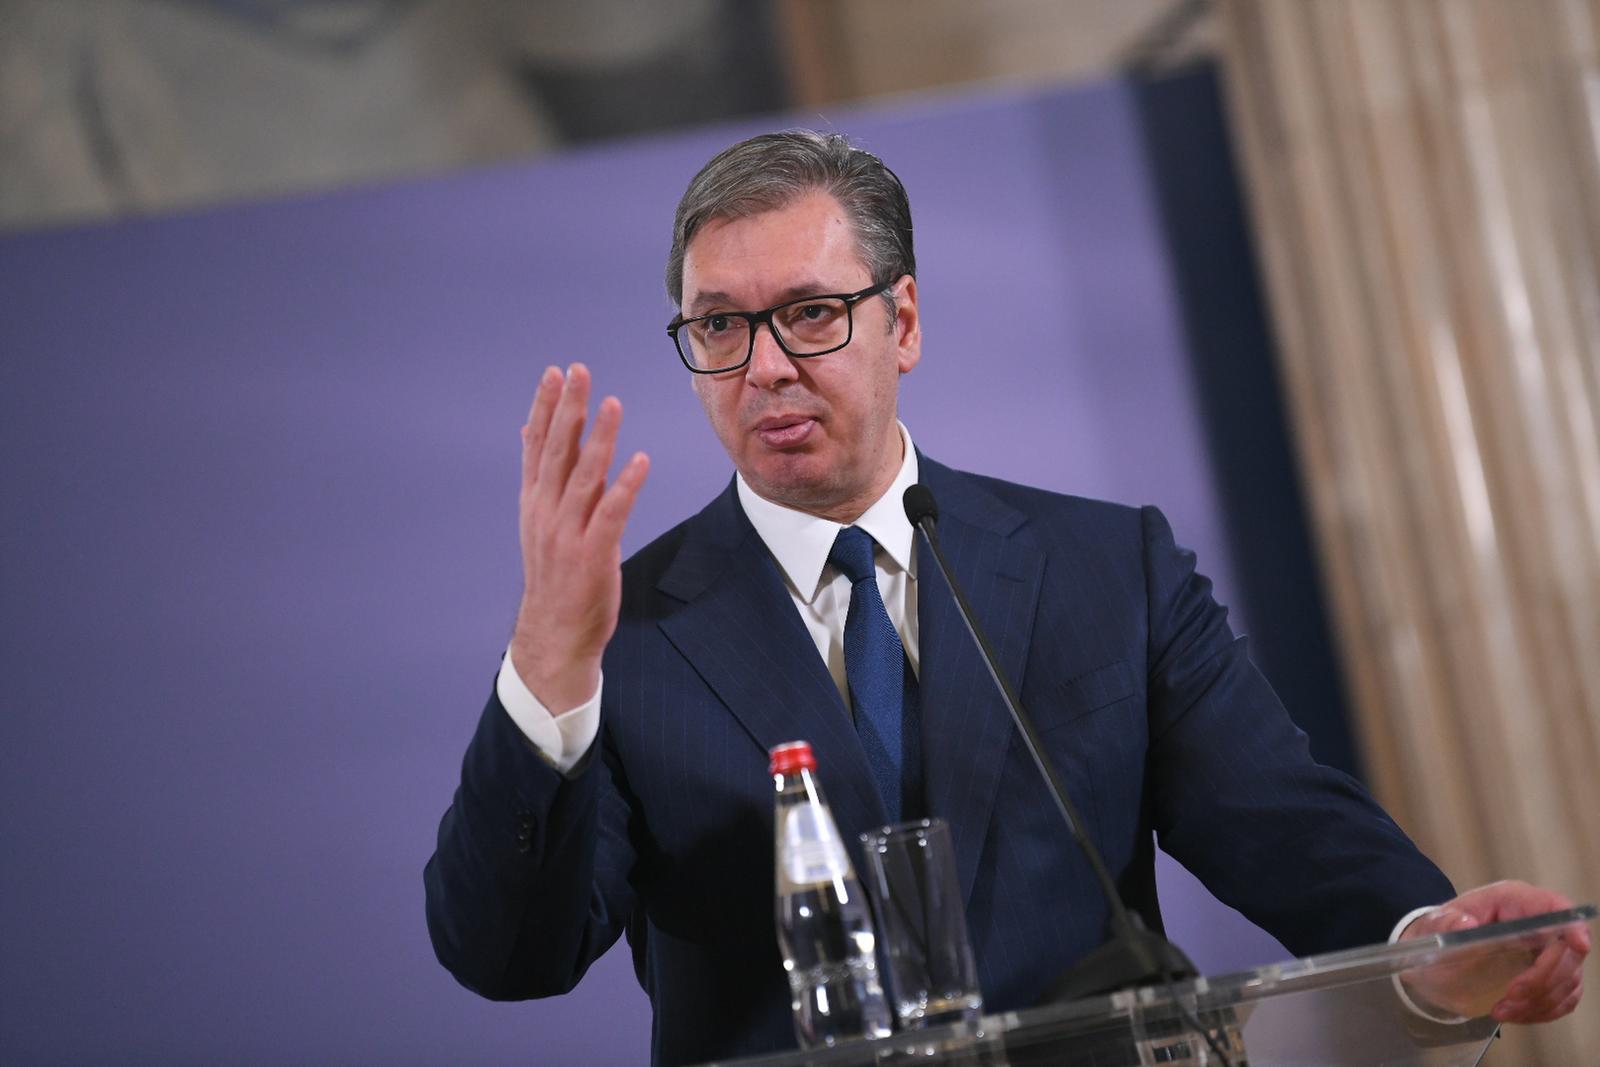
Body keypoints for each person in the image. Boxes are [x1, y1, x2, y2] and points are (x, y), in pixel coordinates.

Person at [424, 131, 1588, 1066]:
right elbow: (508, 951)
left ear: (905, 321)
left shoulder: (1102, 566)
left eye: (810, 313)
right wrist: (547, 663)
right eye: (719, 326)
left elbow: (1274, 816)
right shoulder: (622, 631)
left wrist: (1421, 944)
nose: (765, 365)